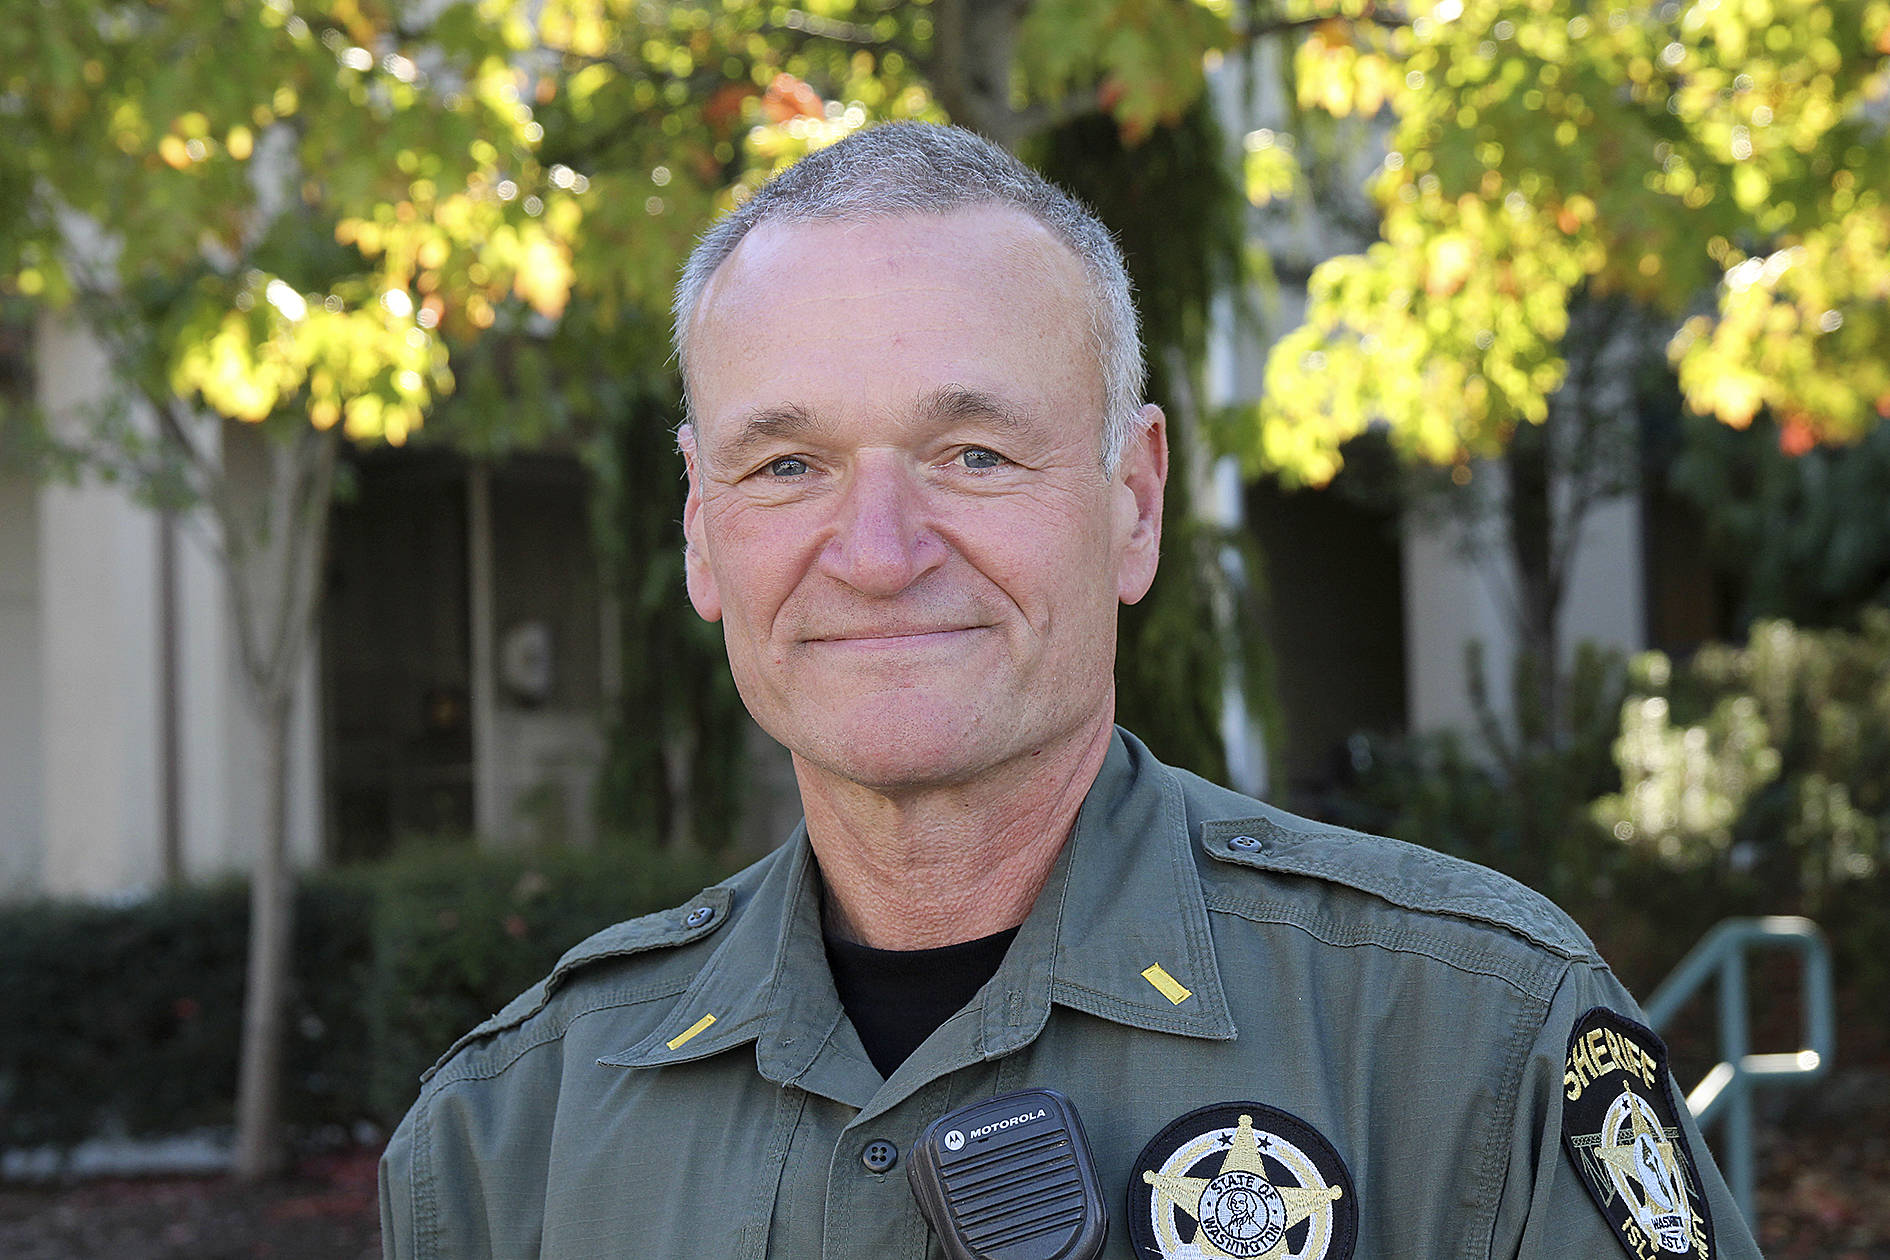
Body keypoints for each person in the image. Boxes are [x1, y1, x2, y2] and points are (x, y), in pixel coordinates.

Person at [379, 122, 1763, 1260]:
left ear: (1134, 502)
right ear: (700, 530)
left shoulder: (1467, 1041)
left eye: (974, 455)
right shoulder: (516, 1136)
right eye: (787, 467)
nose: (878, 554)